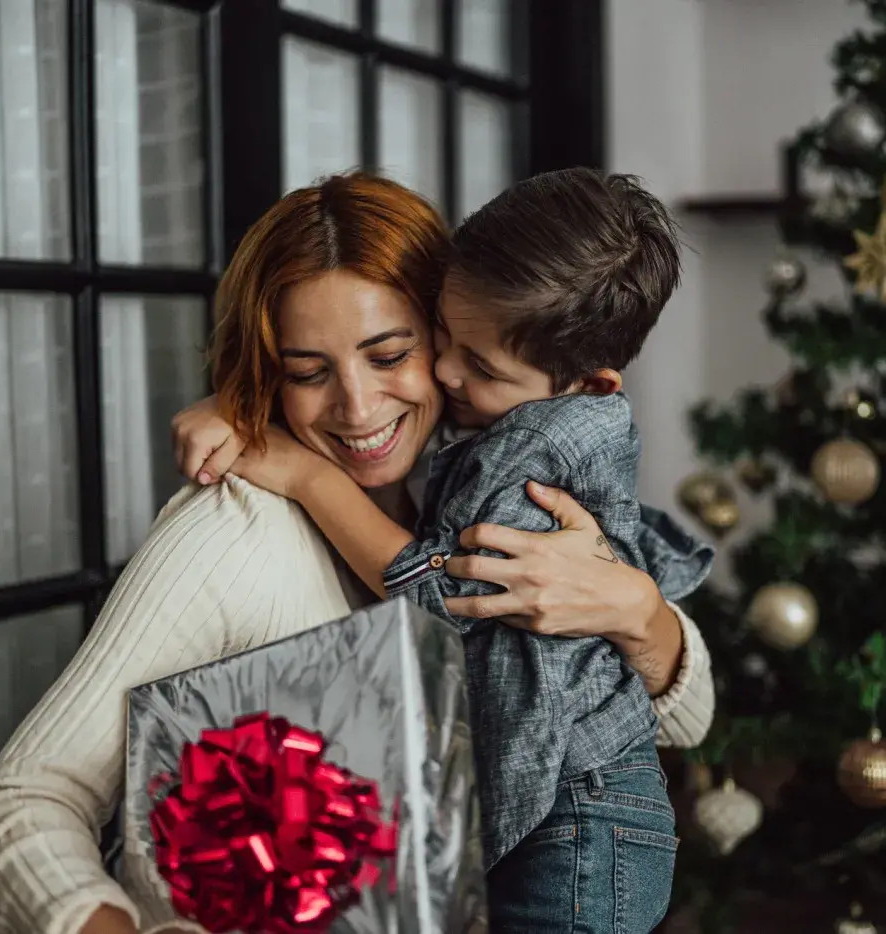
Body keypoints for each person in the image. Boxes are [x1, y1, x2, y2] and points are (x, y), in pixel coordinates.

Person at [0, 173, 715, 934]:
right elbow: (11, 810)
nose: (358, 406)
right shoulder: (233, 533)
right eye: (308, 372)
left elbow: (689, 713)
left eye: (390, 355)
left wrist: (638, 612)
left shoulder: (475, 477)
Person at [210, 167, 709, 932]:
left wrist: (311, 476)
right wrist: (234, 406)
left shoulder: (533, 461)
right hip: (578, 813)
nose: (445, 373)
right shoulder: (513, 415)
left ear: (590, 384)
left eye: (479, 367)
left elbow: (438, 595)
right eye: (443, 335)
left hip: (581, 819)